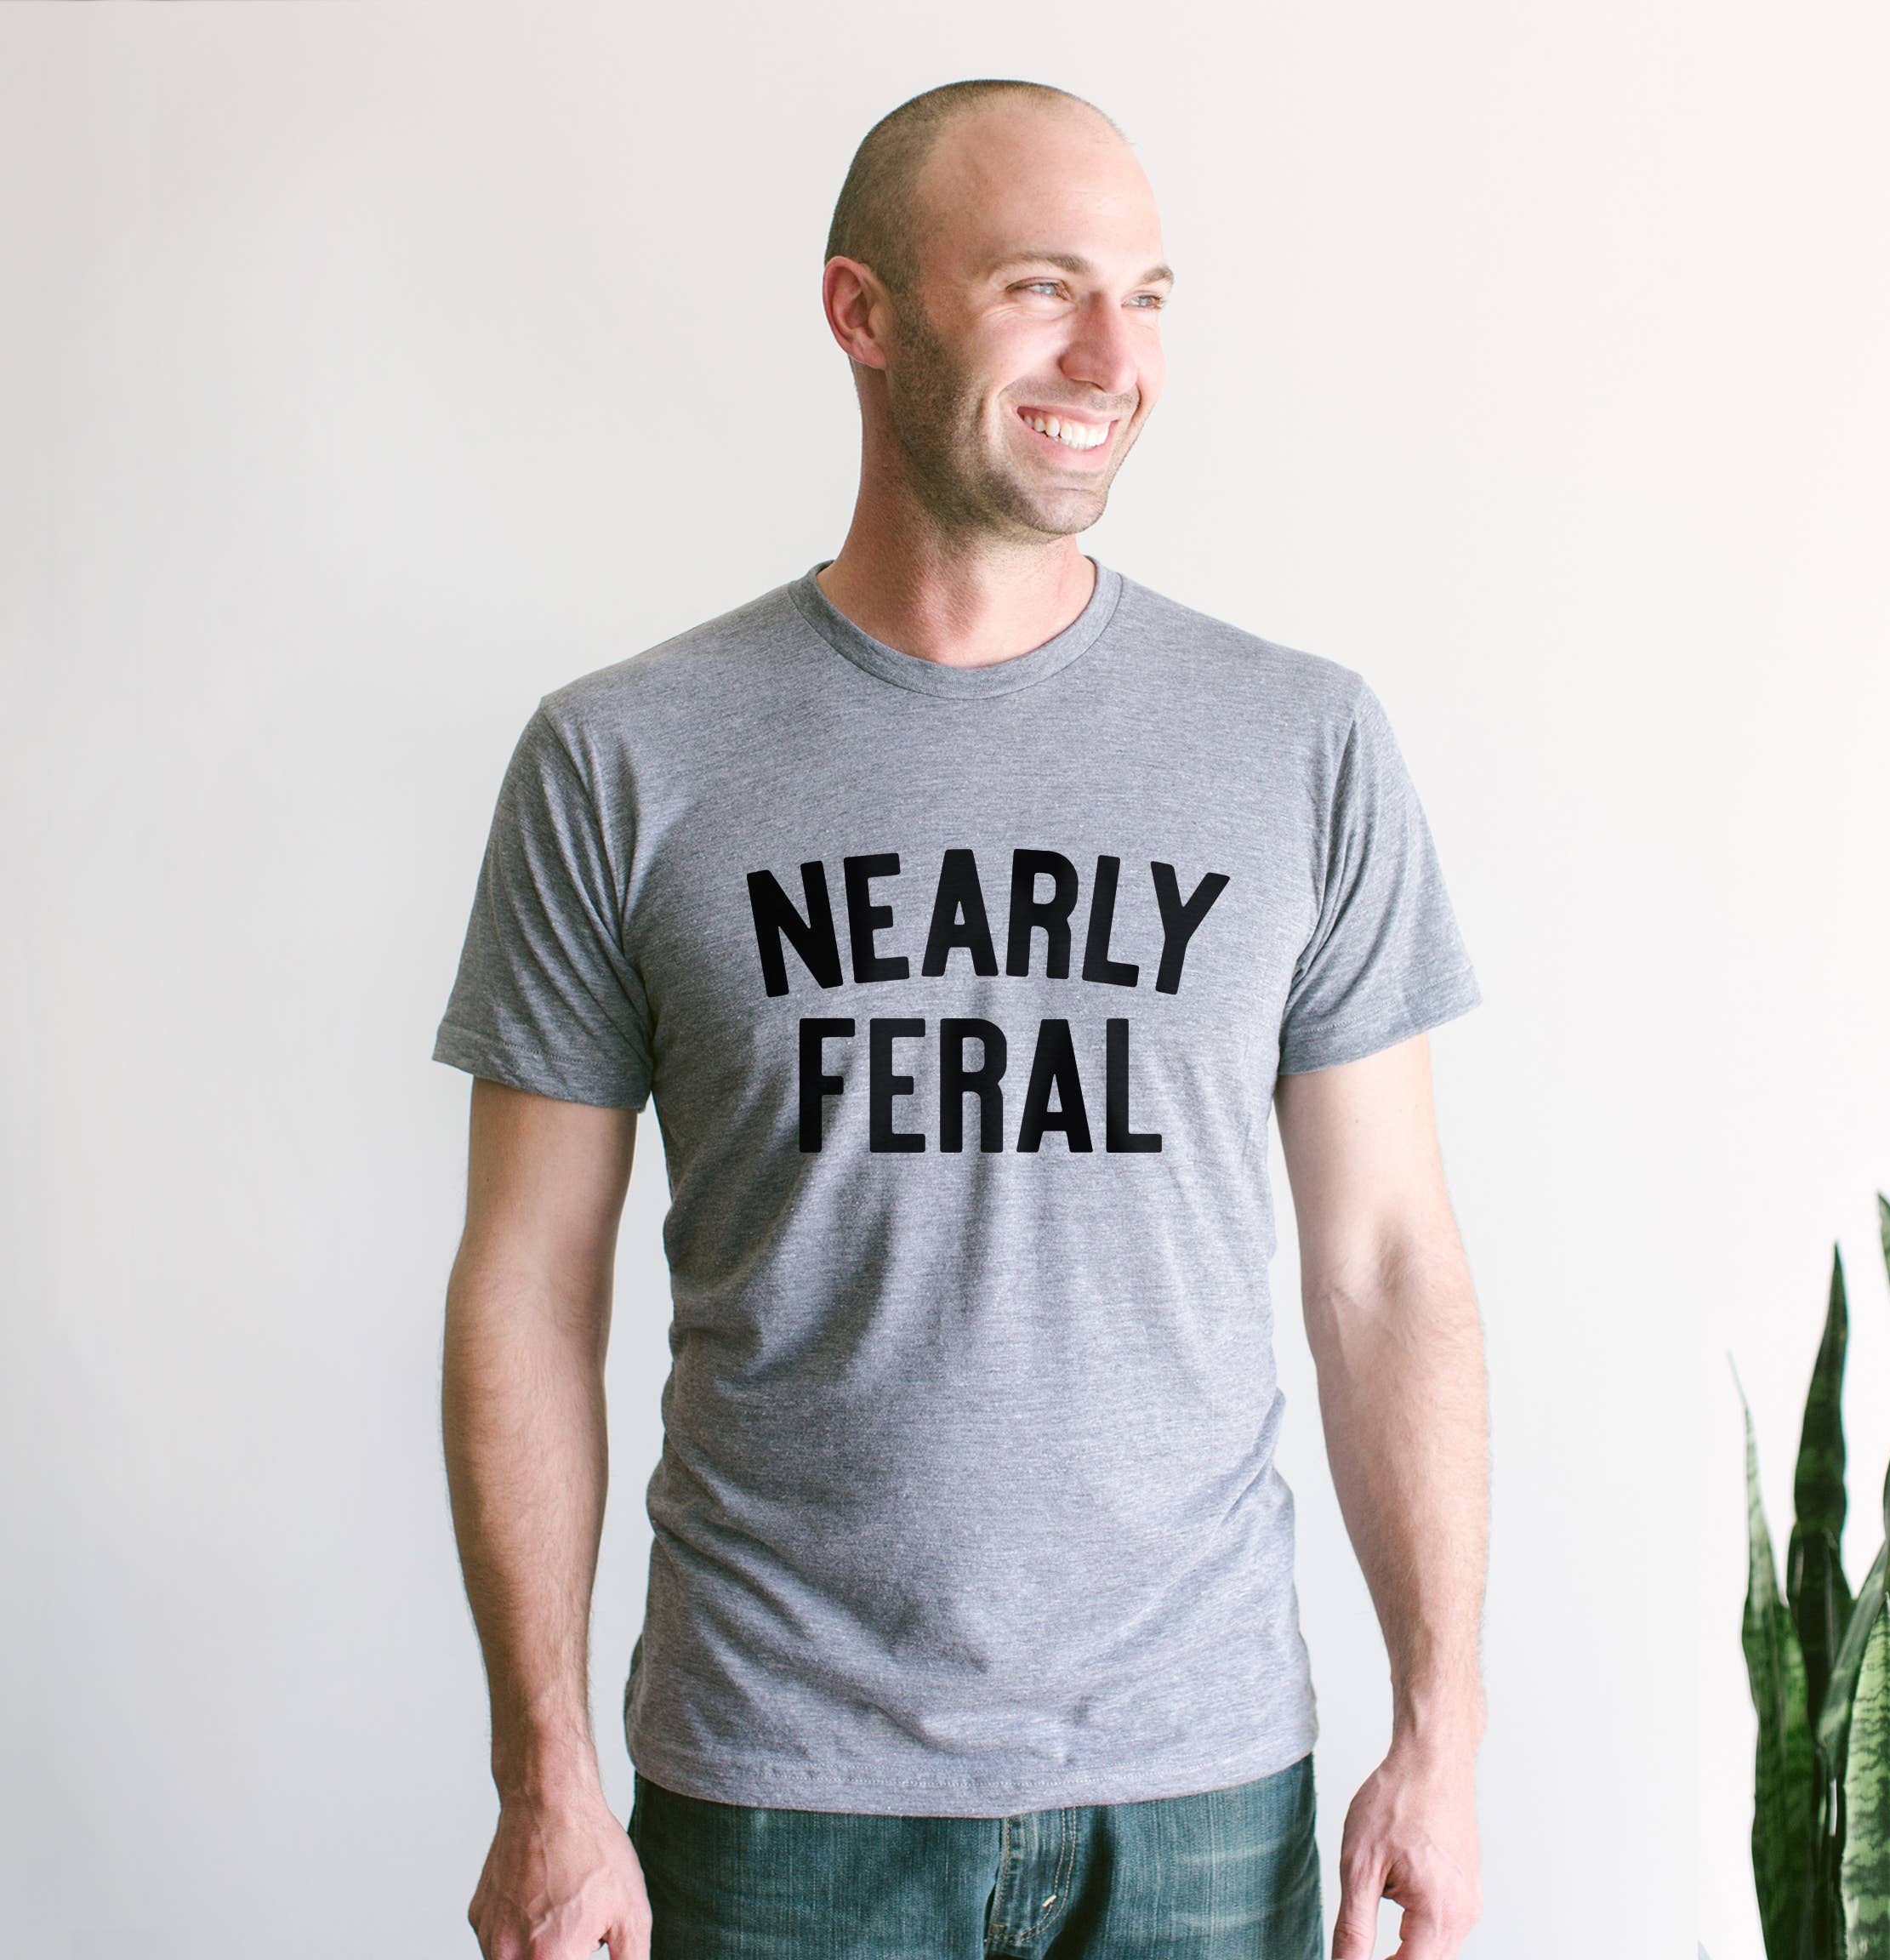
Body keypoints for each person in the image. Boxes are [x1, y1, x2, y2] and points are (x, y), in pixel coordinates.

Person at [433, 76, 1489, 1960]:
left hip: (1197, 1793)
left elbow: (1389, 1266)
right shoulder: (626, 758)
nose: (1113, 359)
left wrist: (1443, 1731)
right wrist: (544, 1774)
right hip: (777, 1794)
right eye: (1040, 287)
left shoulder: (1300, 744)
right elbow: (525, 1286)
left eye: (1146, 296)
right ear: (863, 312)